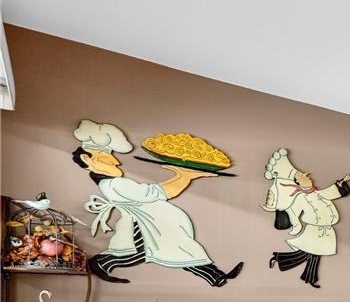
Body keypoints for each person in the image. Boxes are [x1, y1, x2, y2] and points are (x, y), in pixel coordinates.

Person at [73, 120, 242, 287]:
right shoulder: (114, 184)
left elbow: (155, 193)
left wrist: (184, 175)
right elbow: (157, 193)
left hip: (147, 221)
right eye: (106, 158)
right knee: (170, 248)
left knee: (169, 249)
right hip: (145, 222)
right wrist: (185, 176)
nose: (115, 161)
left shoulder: (110, 183)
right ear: (87, 159)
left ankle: (216, 276)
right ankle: (216, 276)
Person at [262, 147, 350, 288]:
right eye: (305, 177)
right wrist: (296, 224)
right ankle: (299, 271)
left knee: (313, 254)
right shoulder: (299, 198)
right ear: (299, 182)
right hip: (314, 230)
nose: (309, 178)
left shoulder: (318, 193)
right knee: (312, 253)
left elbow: (333, 191)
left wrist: (347, 178)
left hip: (326, 230)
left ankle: (303, 274)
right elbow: (293, 213)